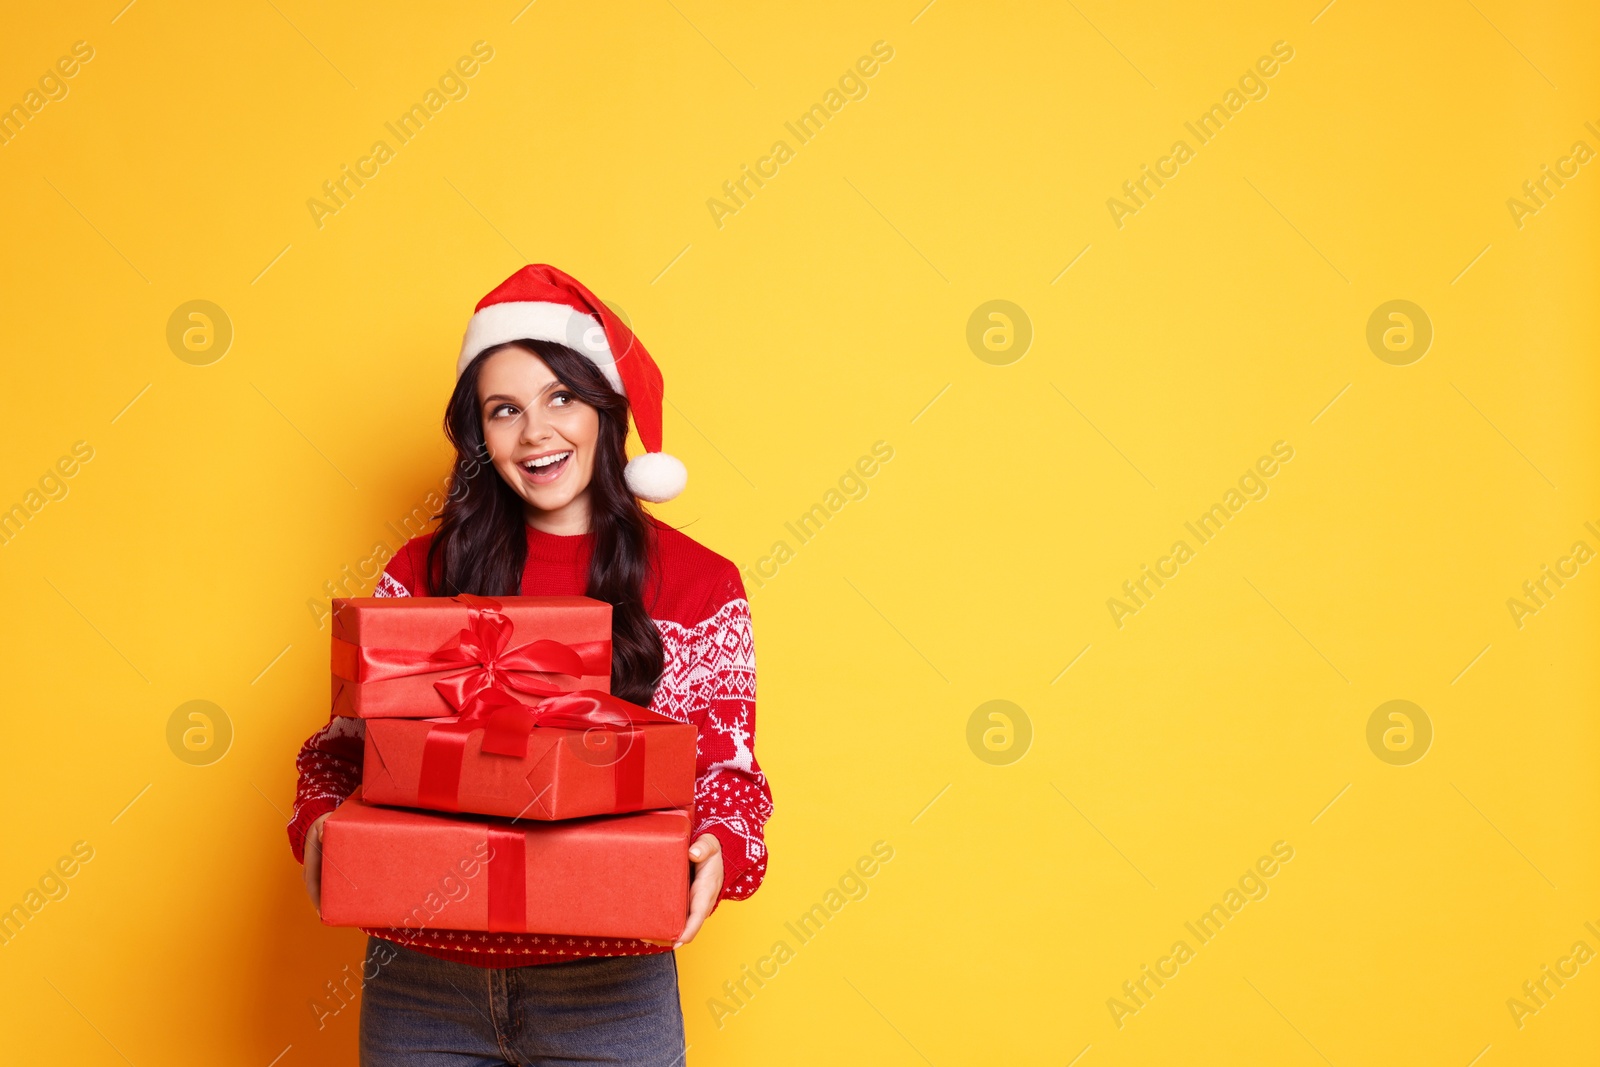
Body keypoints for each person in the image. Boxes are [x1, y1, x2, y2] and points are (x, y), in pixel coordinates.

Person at [285, 264, 774, 1066]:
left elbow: (728, 772)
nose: (536, 432)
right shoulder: (420, 573)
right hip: (421, 976)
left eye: (561, 398)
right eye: (504, 410)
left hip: (610, 983)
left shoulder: (696, 583)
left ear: (604, 410)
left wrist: (721, 841)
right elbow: (344, 750)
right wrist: (319, 823)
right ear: (481, 436)